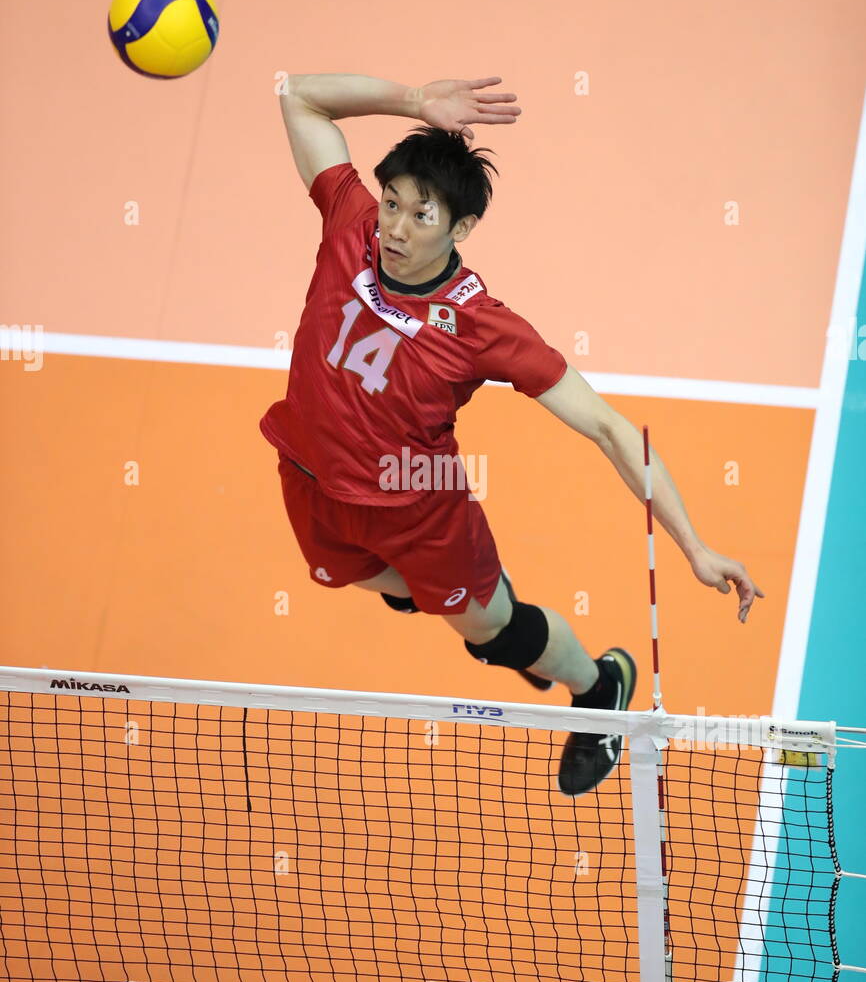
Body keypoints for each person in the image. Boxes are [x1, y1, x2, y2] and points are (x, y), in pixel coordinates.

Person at [260, 73, 764, 795]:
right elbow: (297, 95)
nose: (395, 229)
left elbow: (608, 427)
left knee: (490, 633)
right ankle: (442, 598)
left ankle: (597, 688)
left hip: (419, 510)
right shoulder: (350, 223)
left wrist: (695, 545)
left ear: (461, 229)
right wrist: (416, 103)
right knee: (374, 584)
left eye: (421, 216)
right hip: (309, 479)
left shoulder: (482, 328)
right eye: (392, 204)